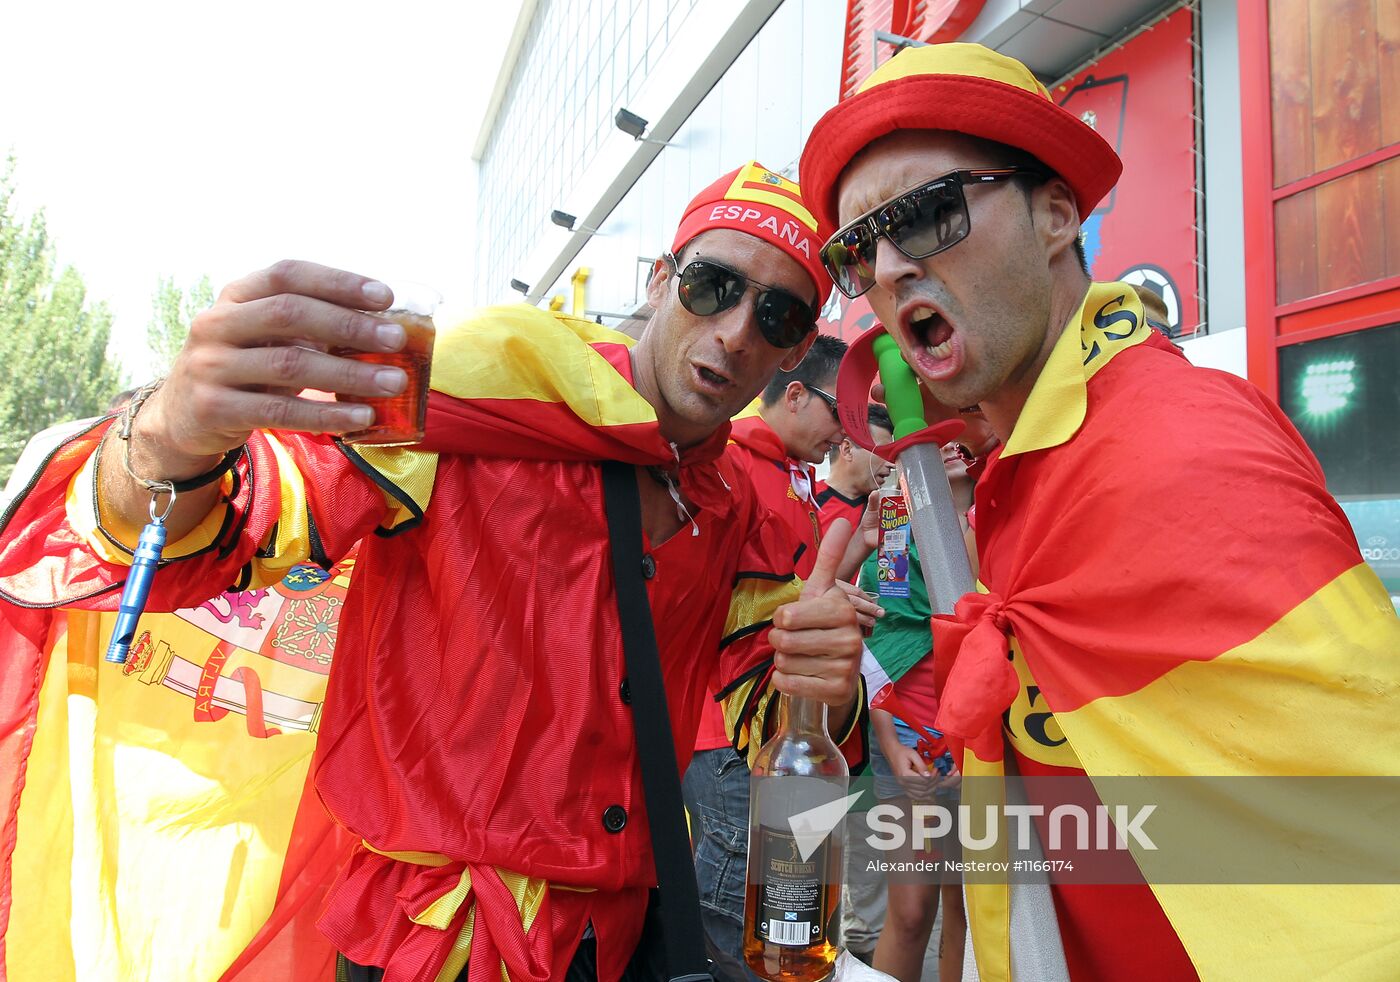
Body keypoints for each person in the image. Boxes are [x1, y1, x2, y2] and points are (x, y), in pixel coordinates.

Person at [0, 162, 867, 981]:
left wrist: (826, 683)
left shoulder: (733, 504)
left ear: (795, 353)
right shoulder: (480, 393)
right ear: (658, 280)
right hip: (431, 939)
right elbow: (244, 526)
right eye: (712, 287)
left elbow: (772, 721)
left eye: (780, 317)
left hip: (613, 938)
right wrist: (169, 436)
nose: (735, 331)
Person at [798, 42, 1400, 981]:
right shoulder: (1015, 470)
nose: (883, 265)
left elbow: (1368, 845)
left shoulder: (1181, 445)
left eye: (922, 216)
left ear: (1055, 213)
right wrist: (828, 708)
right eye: (854, 248)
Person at [682, 333, 848, 980]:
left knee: (781, 911)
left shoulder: (786, 477)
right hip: (731, 730)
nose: (845, 434)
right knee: (737, 924)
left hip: (776, 731)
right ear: (799, 394)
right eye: (841, 412)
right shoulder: (734, 467)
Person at [814, 403, 893, 535]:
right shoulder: (807, 502)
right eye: (882, 452)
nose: (891, 464)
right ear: (847, 450)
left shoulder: (888, 512)